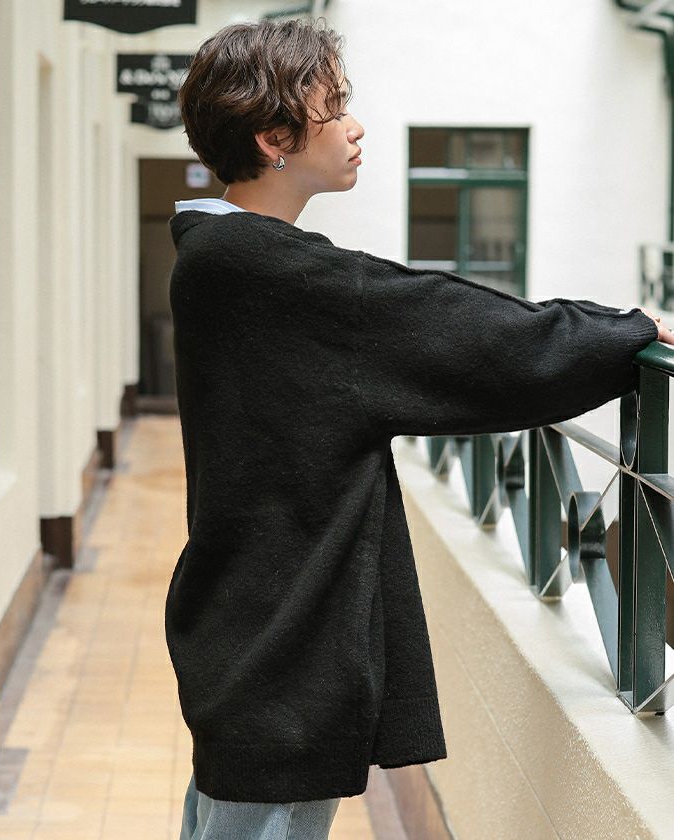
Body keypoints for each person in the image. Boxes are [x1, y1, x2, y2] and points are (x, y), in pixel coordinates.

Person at [167, 16, 674, 840]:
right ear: (274, 138)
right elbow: (452, 330)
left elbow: (413, 315)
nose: (355, 126)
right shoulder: (260, 270)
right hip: (278, 653)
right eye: (335, 108)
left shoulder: (223, 257)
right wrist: (626, 332)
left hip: (251, 638)